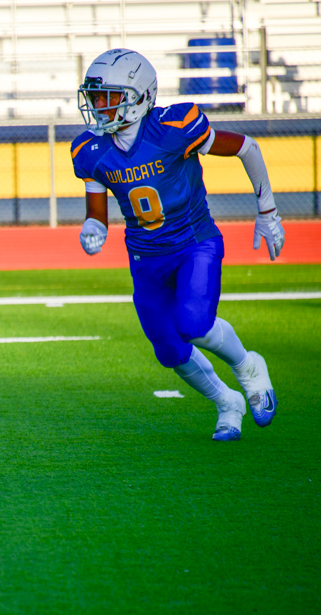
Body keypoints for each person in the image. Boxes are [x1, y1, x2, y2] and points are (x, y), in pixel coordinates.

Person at [72, 48, 284, 441]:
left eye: (109, 98)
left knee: (193, 324)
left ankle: (248, 367)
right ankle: (227, 403)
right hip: (144, 257)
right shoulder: (91, 150)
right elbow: (96, 212)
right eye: (95, 98)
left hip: (193, 244)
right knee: (168, 349)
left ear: (140, 98)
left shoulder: (174, 128)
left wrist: (267, 211)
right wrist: (92, 228)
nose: (99, 107)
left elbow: (247, 147)